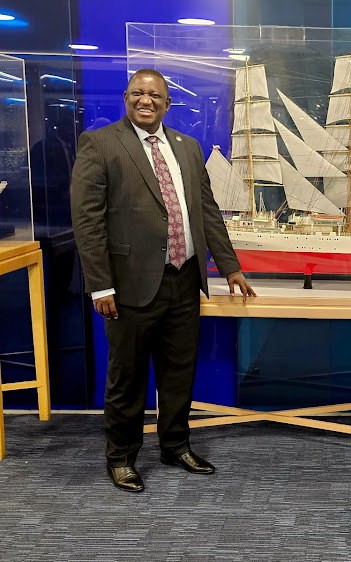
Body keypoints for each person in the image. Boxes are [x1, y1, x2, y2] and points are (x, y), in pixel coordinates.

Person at [71, 68, 255, 493]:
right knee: (128, 378)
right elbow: (88, 222)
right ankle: (121, 459)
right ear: (126, 97)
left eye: (155, 95)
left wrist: (230, 267)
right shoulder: (99, 145)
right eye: (138, 93)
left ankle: (175, 446)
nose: (146, 100)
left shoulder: (188, 149)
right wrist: (100, 285)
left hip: (184, 281)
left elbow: (207, 213)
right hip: (129, 286)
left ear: (168, 103)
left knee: (178, 374)